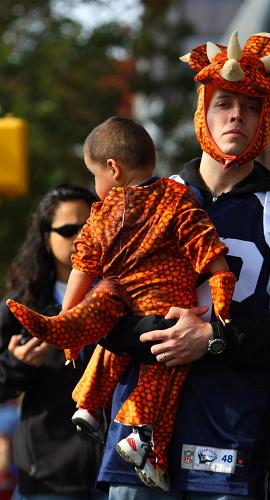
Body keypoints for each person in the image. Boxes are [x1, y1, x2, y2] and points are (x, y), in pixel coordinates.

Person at [94, 31, 270, 499]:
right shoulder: (141, 202)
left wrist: (215, 340)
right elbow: (100, 308)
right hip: (136, 437)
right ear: (201, 112)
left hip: (230, 437)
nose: (236, 116)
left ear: (266, 119)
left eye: (250, 106)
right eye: (224, 103)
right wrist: (164, 335)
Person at [7, 117, 236, 492]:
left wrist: (67, 319)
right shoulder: (178, 199)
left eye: (93, 174)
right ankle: (143, 438)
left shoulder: (104, 212)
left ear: (113, 169)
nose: (95, 187)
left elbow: (82, 267)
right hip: (168, 308)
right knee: (164, 376)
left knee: (106, 344)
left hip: (118, 302)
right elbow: (211, 256)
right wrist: (223, 309)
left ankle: (88, 404)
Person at [0, 183, 108, 500]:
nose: (79, 236)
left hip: (122, 474)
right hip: (50, 480)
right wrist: (17, 365)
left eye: (88, 226)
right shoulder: (23, 307)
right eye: (67, 229)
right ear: (46, 239)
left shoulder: (130, 296)